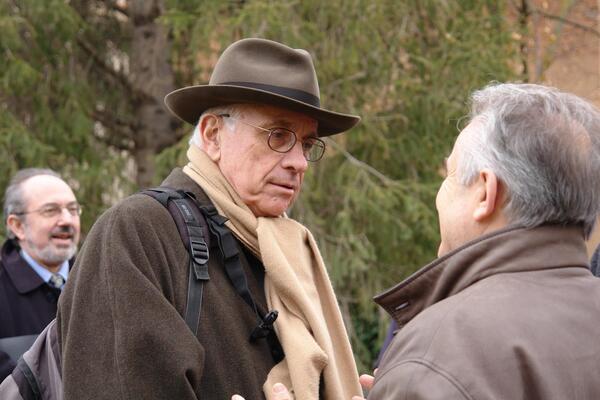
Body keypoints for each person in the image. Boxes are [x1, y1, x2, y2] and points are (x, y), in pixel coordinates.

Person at [57, 38, 362, 400]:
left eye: (307, 145)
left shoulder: (284, 251)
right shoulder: (138, 232)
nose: (298, 162)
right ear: (213, 135)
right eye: (278, 136)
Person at [261, 83, 600, 400]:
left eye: (450, 176)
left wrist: (416, 382)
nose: (440, 194)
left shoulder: (441, 354)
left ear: (486, 192)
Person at [0, 168, 81, 381]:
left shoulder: (101, 279)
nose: (67, 221)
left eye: (73, 210)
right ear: (17, 226)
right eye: (50, 211)